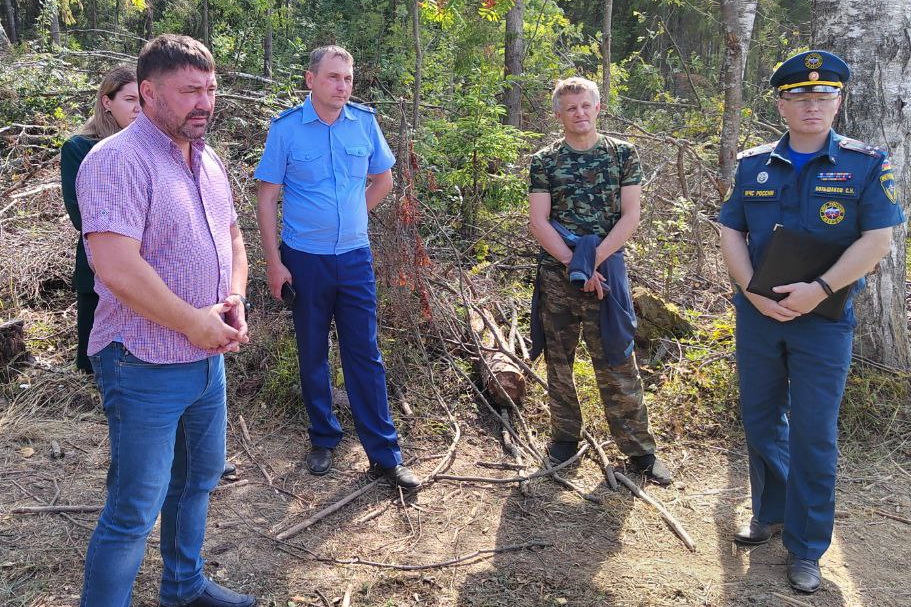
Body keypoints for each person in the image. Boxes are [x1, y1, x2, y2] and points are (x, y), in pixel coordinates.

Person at [76, 34, 256, 606]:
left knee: (198, 481)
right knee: (135, 506)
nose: (204, 102)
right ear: (149, 92)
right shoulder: (115, 161)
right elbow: (116, 267)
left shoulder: (208, 162)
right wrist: (190, 323)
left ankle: (183, 587)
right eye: (189, 91)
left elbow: (231, 236)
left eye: (210, 89)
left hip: (207, 360)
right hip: (142, 363)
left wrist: (233, 296)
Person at [719, 50, 904, 594]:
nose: (812, 105)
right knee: (758, 420)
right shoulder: (753, 163)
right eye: (799, 96)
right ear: (781, 104)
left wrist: (819, 289)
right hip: (759, 318)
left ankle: (805, 546)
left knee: (814, 433)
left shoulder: (866, 162)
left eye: (823, 96)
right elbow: (731, 230)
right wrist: (754, 297)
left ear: (838, 101)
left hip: (824, 318)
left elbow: (878, 241)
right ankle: (771, 513)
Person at [254, 45, 419, 489]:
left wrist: (356, 216)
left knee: (364, 353)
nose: (342, 86)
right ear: (311, 80)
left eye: (347, 78)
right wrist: (274, 263)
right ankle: (323, 437)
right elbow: (267, 198)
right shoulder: (286, 130)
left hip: (353, 258)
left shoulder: (364, 123)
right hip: (303, 259)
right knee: (312, 351)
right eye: (332, 77)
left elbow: (383, 179)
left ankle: (384, 454)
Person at [528, 76, 672, 486]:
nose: (579, 113)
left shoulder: (623, 154)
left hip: (606, 273)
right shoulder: (545, 160)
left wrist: (594, 264)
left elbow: (630, 215)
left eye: (585, 105)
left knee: (617, 359)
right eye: (570, 107)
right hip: (557, 275)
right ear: (558, 114)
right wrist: (574, 264)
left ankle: (640, 451)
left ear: (598, 107)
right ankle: (563, 439)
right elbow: (539, 220)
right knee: (559, 363)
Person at [61, 65, 140, 374]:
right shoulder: (80, 147)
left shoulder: (149, 145)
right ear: (107, 102)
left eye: (142, 100)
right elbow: (81, 215)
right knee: (96, 364)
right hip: (99, 264)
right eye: (129, 99)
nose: (138, 108)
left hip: (146, 264)